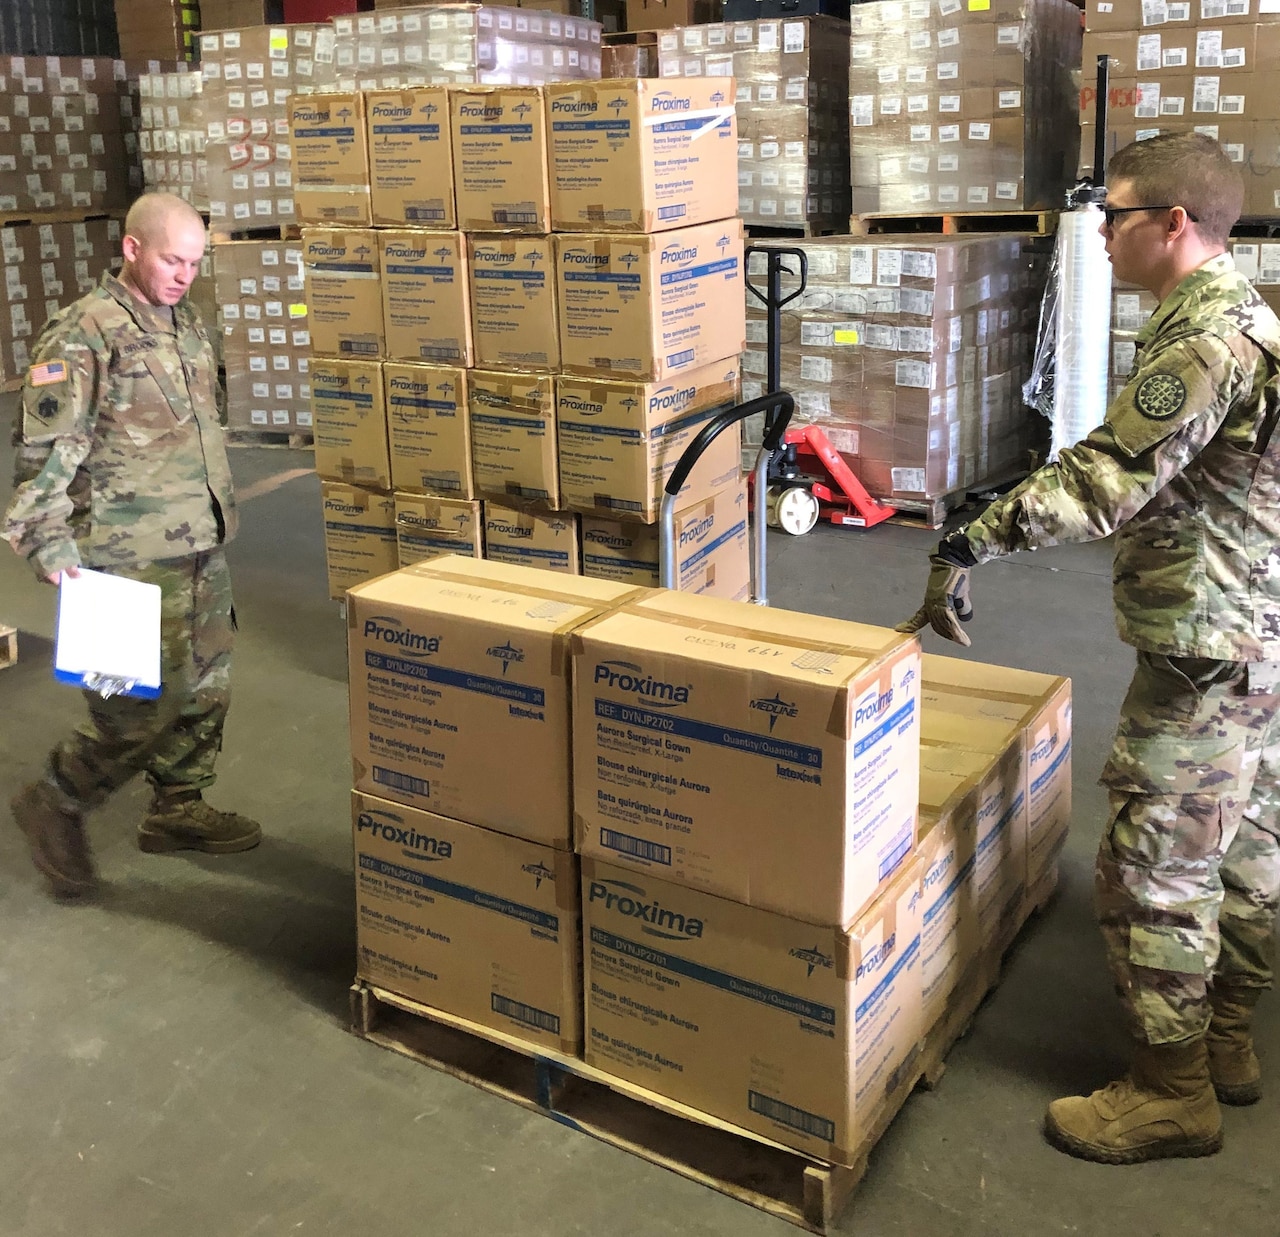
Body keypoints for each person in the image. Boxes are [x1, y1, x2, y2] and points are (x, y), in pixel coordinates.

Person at [899, 132, 1280, 1165]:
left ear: (1170, 224)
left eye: (1111, 215)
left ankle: (1171, 1090)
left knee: (1153, 863)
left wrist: (971, 534)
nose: (1098, 234)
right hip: (1254, 636)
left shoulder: (1204, 342)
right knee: (1241, 844)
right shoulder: (1249, 318)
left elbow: (1101, 483)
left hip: (1207, 645)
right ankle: (1224, 1038)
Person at [5, 191, 260, 901]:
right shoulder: (83, 333)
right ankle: (56, 799)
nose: (185, 274)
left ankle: (177, 808)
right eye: (173, 260)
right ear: (132, 249)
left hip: (197, 539)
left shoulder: (184, 321)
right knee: (135, 706)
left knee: (206, 686)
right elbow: (46, 449)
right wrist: (49, 544)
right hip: (116, 553)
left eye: (195, 263)